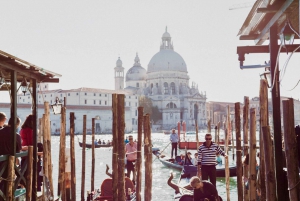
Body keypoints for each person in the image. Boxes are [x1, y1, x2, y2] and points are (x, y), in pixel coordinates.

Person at [0, 116, 22, 198]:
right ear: (17, 125)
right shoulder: (16, 136)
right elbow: (18, 151)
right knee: (7, 183)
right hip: (9, 165)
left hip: (1, 161)